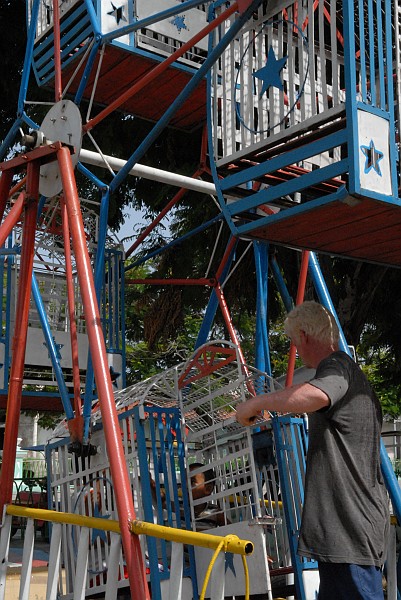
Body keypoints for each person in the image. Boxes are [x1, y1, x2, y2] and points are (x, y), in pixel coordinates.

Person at [236, 301, 389, 600]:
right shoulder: (347, 371)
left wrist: (256, 403)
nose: (296, 350)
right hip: (342, 530)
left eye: (294, 343)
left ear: (304, 336)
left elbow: (315, 393)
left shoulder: (338, 367)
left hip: (350, 530)